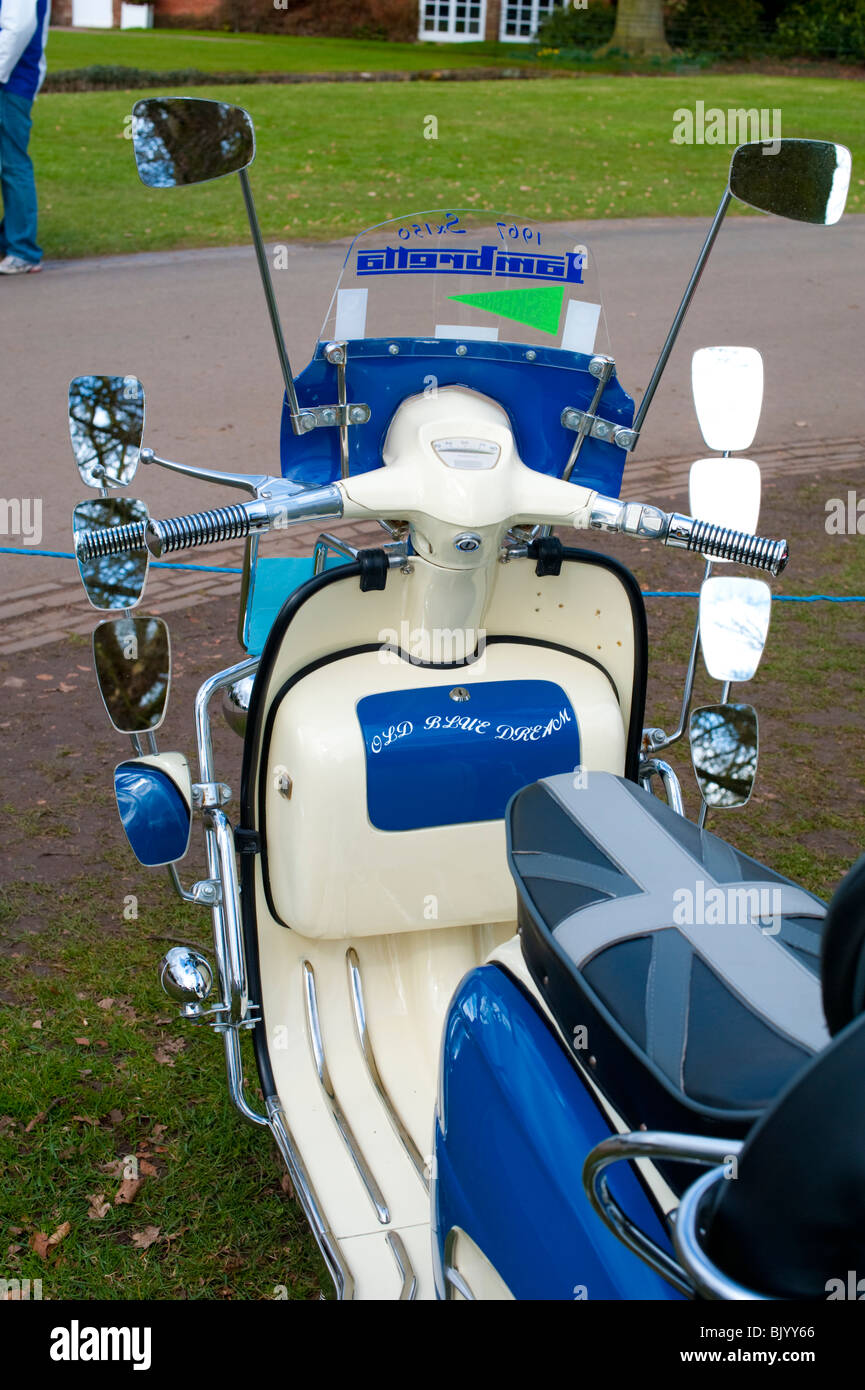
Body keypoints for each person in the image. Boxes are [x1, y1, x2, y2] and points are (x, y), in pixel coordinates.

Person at [0, 0, 51, 275]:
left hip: (9, 83)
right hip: (12, 81)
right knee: (11, 163)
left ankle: (22, 250)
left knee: (13, 164)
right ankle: (15, 243)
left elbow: (19, 27)